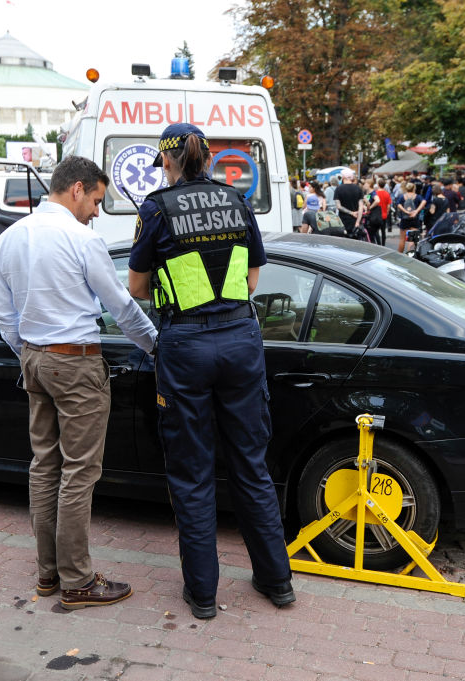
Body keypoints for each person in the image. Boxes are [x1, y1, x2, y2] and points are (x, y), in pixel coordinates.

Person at [127, 123, 294, 620]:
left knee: (192, 472)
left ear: (168, 161)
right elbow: (253, 275)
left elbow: (136, 288)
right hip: (242, 339)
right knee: (251, 465)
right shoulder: (238, 201)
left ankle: (203, 595)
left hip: (186, 346)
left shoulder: (157, 208)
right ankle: (277, 582)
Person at [0, 155, 156, 610]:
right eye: (97, 201)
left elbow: (5, 317)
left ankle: (49, 574)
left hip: (34, 360)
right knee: (79, 473)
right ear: (78, 188)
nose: (97, 212)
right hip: (75, 362)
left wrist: (30, 354)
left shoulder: (8, 239)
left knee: (44, 466)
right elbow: (121, 307)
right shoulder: (81, 240)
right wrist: (156, 346)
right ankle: (78, 580)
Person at [396, 181, 425, 252]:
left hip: (404, 219)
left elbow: (398, 204)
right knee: (412, 240)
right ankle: (410, 255)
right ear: (414, 188)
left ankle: (399, 255)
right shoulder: (417, 197)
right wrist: (416, 211)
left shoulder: (403, 196)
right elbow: (424, 202)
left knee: (402, 239)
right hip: (414, 219)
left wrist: (406, 212)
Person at [334, 169, 364, 234]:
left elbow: (338, 206)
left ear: (343, 177)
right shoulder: (358, 188)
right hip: (355, 220)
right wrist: (358, 222)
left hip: (343, 221)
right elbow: (361, 207)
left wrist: (351, 213)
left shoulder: (338, 189)